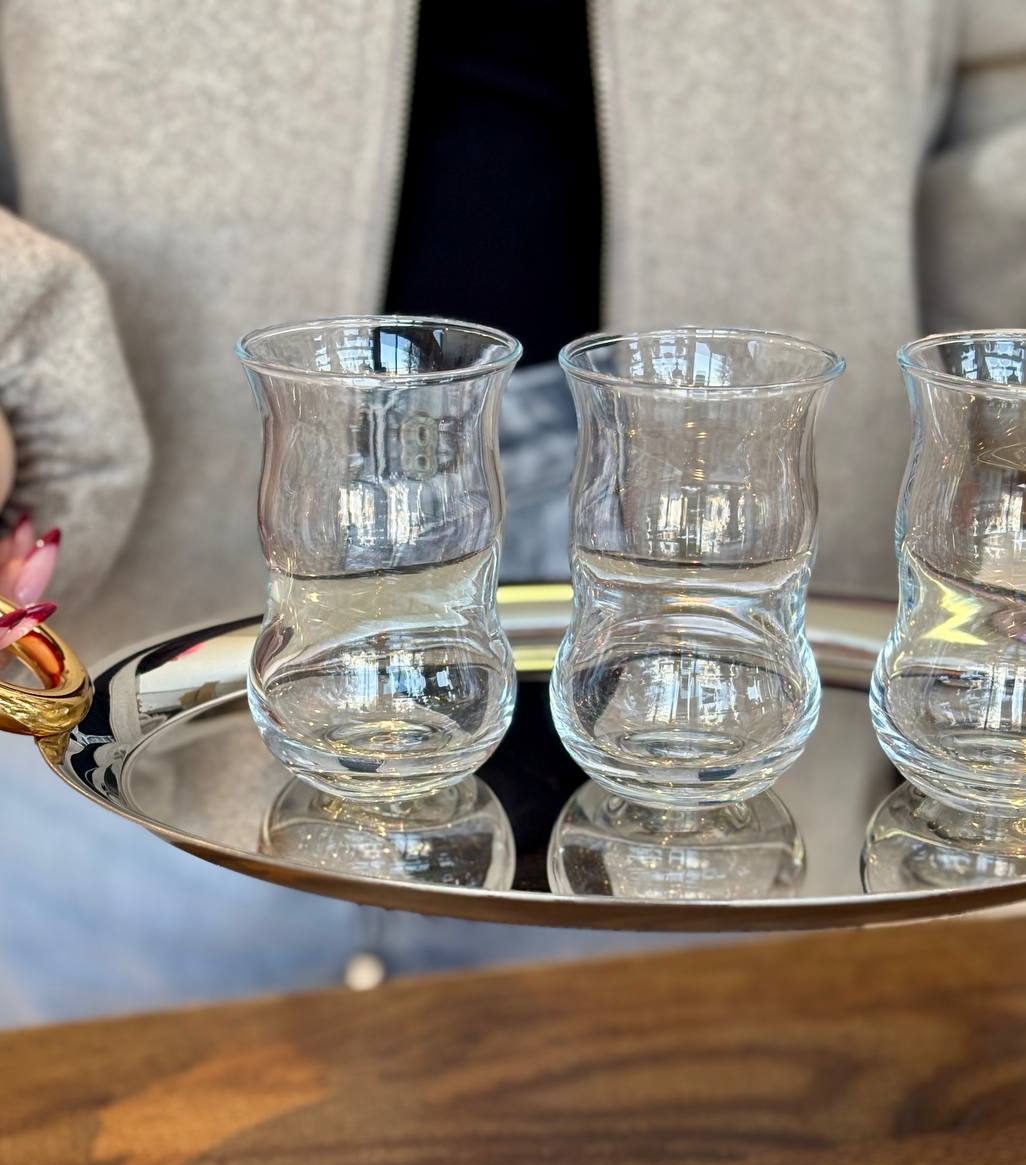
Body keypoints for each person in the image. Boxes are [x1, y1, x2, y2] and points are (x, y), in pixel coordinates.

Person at [0, 0, 1024, 1022]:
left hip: (755, 589)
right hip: (174, 599)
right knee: (158, 1098)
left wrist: (998, 459)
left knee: (697, 1085)